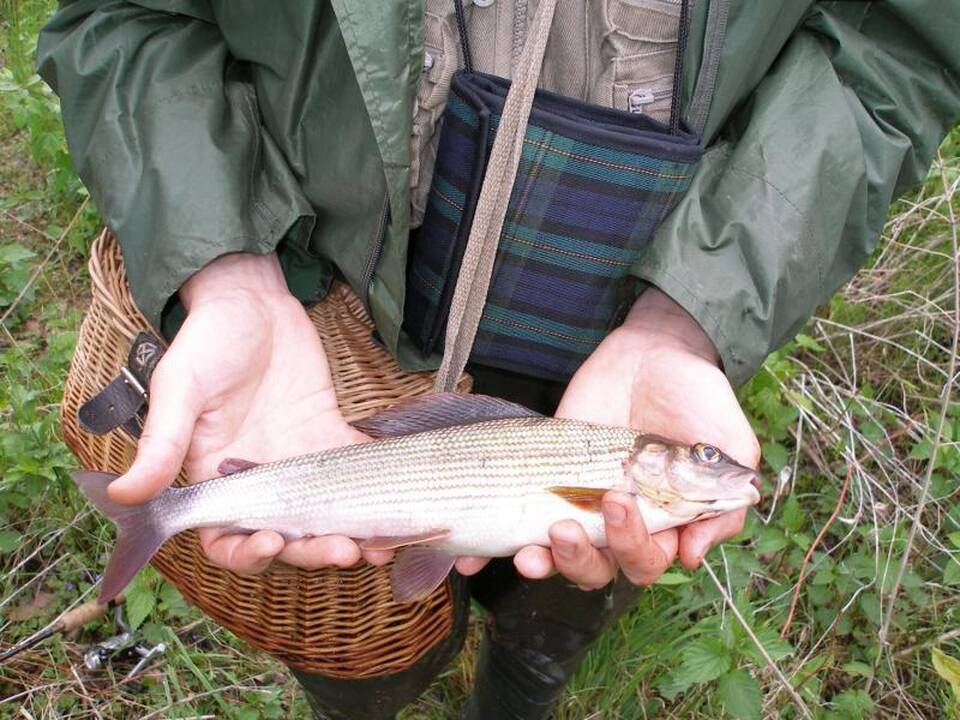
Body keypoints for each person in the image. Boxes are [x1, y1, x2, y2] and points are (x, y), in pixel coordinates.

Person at [37, 1, 960, 718]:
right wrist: (231, 267)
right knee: (349, 638)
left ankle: (517, 692)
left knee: (563, 603)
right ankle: (361, 694)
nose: (715, 470)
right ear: (651, 461)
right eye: (701, 464)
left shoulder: (623, 450)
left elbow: (891, 49)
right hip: (327, 294)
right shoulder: (617, 470)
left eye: (704, 463)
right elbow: (128, 18)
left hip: (618, 333)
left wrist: (690, 317)